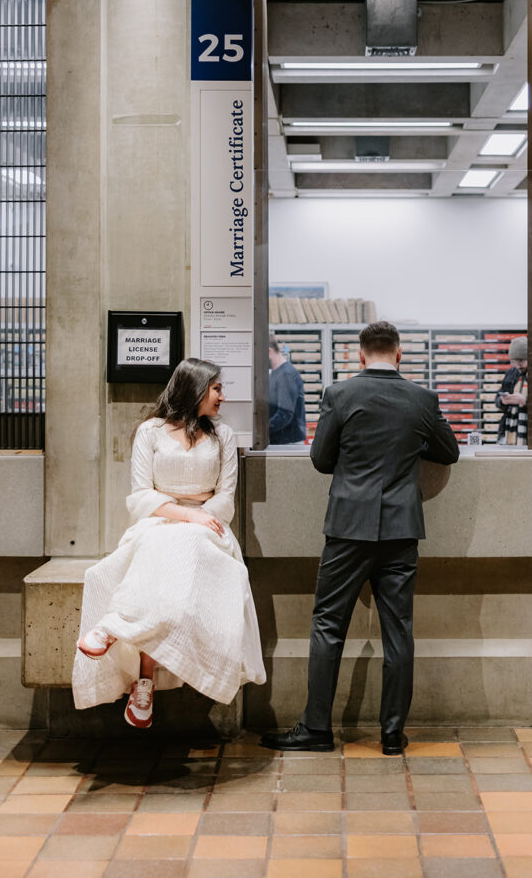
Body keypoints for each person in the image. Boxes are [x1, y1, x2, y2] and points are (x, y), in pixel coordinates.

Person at [261, 321, 459, 756]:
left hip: (348, 527)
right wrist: (410, 447)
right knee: (399, 631)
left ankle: (316, 728)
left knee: (328, 625)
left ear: (360, 354)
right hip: (401, 529)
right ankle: (391, 733)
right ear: (400, 354)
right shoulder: (422, 399)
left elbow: (320, 458)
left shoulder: (340, 394)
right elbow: (449, 452)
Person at [72, 358, 266, 728]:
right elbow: (141, 495)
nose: (222, 396)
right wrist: (184, 515)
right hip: (158, 521)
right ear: (195, 389)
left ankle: (116, 632)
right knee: (154, 560)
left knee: (177, 572)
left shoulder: (223, 436)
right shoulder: (150, 432)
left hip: (208, 524)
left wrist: (198, 517)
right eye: (217, 388)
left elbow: (226, 497)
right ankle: (139, 672)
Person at [268, 332, 306, 444]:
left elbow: (284, 414)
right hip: (281, 441)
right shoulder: (276, 373)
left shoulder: (286, 374)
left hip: (288, 443)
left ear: (269, 351)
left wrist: (260, 429)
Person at [496, 336, 528, 446]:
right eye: (514, 361)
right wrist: (502, 400)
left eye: (521, 360)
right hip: (508, 429)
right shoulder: (511, 373)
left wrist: (525, 401)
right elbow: (497, 399)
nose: (518, 365)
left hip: (530, 432)